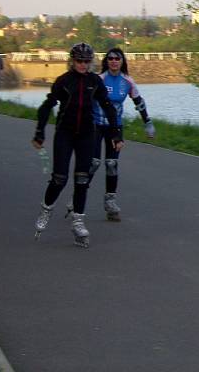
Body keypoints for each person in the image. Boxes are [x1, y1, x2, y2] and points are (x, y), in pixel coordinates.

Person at [31, 42, 123, 248]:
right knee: (60, 178)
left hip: (86, 135)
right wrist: (39, 131)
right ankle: (46, 209)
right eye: (79, 61)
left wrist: (116, 134)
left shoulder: (94, 81)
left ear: (91, 62)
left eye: (86, 61)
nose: (83, 65)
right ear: (72, 61)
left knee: (82, 179)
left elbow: (108, 106)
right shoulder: (64, 81)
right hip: (65, 133)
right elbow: (47, 106)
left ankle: (78, 221)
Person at [91, 47, 155, 221]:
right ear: (106, 61)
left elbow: (138, 101)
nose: (113, 61)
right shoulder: (99, 79)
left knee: (111, 164)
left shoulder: (127, 81)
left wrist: (147, 122)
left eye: (117, 58)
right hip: (96, 125)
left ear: (122, 61)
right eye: (110, 58)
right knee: (93, 163)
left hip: (115, 127)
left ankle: (110, 202)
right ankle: (78, 196)